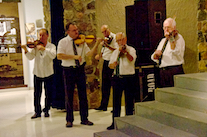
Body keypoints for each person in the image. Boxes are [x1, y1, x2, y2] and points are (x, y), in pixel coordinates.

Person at [57, 22, 99, 128]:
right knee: (69, 95)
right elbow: (59, 56)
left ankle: (84, 118)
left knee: (83, 94)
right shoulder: (63, 42)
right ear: (68, 32)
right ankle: (69, 120)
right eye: (74, 30)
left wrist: (96, 45)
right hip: (68, 70)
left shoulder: (82, 42)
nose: (77, 32)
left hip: (80, 69)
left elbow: (88, 54)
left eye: (77, 30)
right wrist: (74, 57)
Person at [21, 28, 56, 119]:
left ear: (47, 36)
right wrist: (25, 50)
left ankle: (47, 110)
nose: (41, 37)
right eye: (39, 35)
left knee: (48, 93)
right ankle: (37, 111)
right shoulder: (36, 47)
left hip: (48, 73)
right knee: (37, 93)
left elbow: (53, 55)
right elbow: (30, 57)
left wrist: (44, 49)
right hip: (37, 72)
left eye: (43, 35)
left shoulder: (51, 46)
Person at [107, 32, 137, 130]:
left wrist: (125, 52)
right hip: (117, 77)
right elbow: (110, 65)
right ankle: (115, 122)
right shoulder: (115, 51)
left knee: (129, 102)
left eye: (121, 39)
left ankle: (129, 123)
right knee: (116, 102)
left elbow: (131, 59)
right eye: (118, 40)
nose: (120, 42)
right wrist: (113, 64)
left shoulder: (131, 49)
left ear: (125, 39)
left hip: (128, 78)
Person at [151, 18, 185, 87]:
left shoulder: (178, 38)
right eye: (165, 28)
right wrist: (156, 55)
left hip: (174, 70)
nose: (166, 30)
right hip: (163, 72)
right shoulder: (163, 41)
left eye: (168, 27)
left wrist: (171, 38)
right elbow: (154, 57)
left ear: (174, 28)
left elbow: (175, 52)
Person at [95, 25, 118, 111]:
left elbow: (116, 49)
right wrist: (99, 56)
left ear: (109, 29)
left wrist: (107, 45)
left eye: (105, 31)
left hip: (112, 62)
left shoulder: (115, 37)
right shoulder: (105, 39)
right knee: (105, 84)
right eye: (103, 32)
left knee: (114, 84)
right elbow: (103, 50)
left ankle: (115, 106)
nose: (104, 33)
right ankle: (103, 105)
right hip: (105, 62)